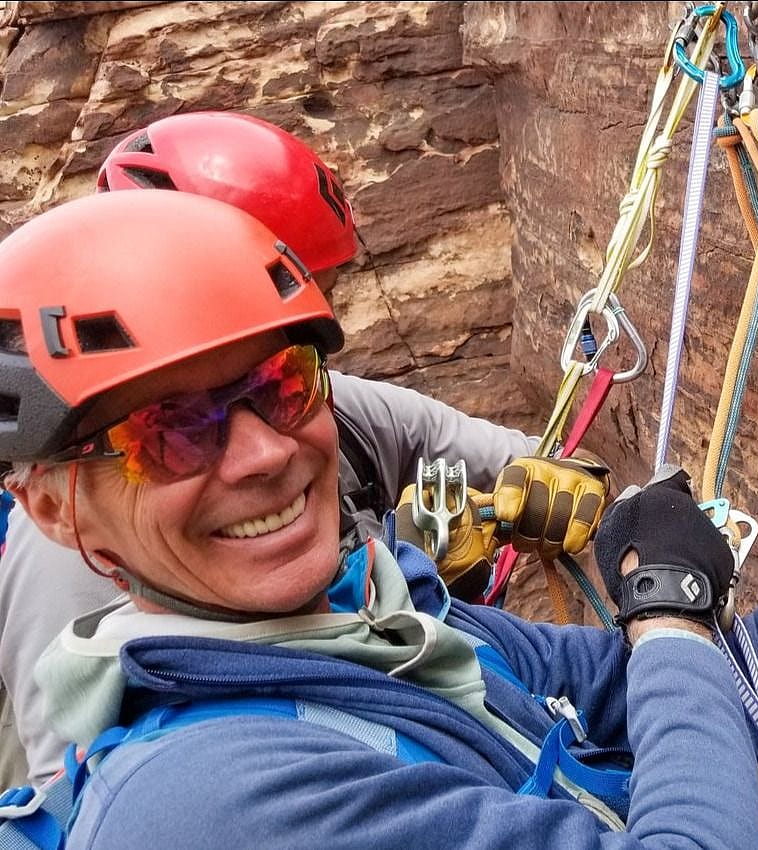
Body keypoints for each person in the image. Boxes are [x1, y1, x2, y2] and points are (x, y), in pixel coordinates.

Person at [0, 190, 758, 849]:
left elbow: (669, 680)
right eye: (168, 431)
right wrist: (670, 613)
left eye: (282, 382)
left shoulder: (376, 610)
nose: (264, 452)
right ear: (52, 508)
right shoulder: (215, 801)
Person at [0, 111, 542, 786]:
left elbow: (507, 455)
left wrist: (539, 495)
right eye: (173, 429)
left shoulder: (329, 406)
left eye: (285, 363)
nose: (266, 450)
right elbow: (68, 781)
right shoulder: (77, 548)